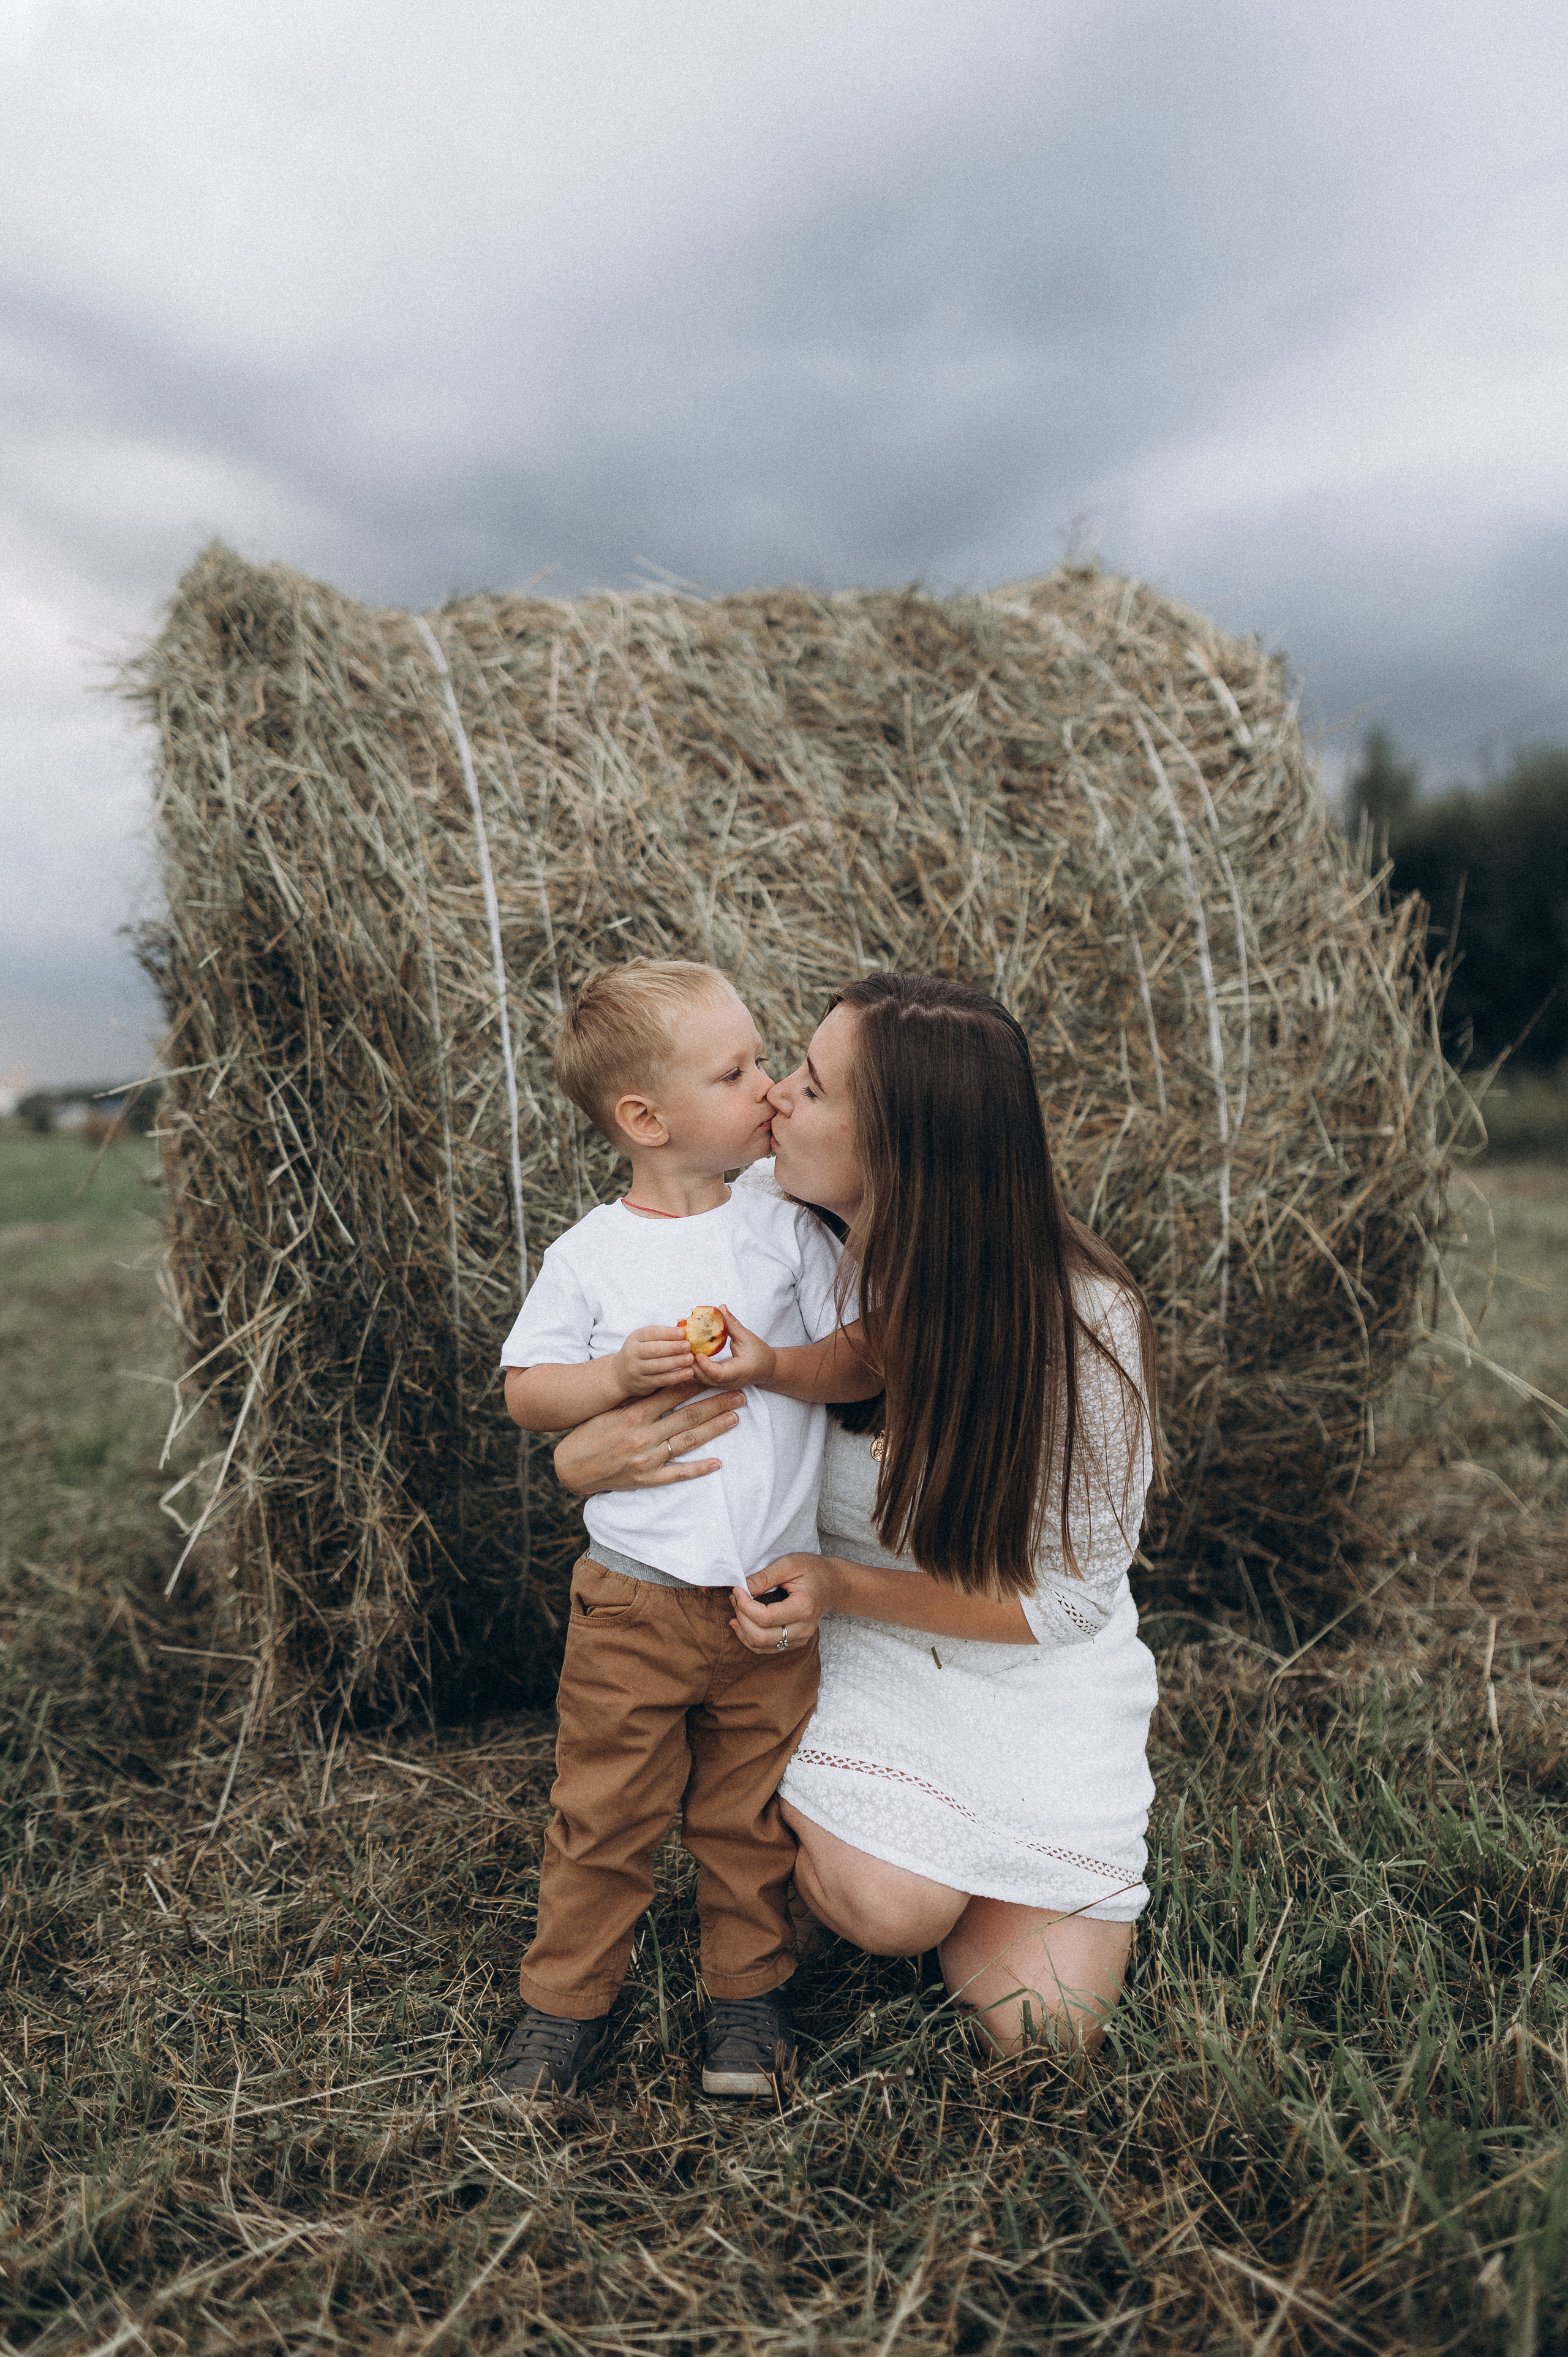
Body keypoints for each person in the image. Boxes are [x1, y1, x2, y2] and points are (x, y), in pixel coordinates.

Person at [556, 971, 1161, 2056]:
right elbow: (605, 1393)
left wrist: (841, 1581)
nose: (775, 1096)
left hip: (1022, 1660)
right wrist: (584, 1456)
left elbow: (1068, 1604)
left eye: (814, 1086)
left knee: (1042, 2032)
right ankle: (819, 1850)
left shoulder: (1083, 1333)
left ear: (902, 1150)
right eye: (783, 1067)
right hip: (841, 1649)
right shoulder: (745, 1229)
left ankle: (863, 1859)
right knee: (892, 1905)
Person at [489, 958, 876, 2108]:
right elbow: (526, 1391)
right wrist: (611, 1374)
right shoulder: (592, 1255)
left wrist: (771, 1364)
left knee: (747, 1817)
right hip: (636, 1597)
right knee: (604, 1812)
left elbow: (854, 1357)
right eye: (737, 1071)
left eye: (766, 1060)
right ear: (646, 1120)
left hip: (764, 1601)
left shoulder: (788, 1233)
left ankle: (746, 2004)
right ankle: (563, 2008)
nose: (769, 1086)